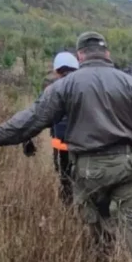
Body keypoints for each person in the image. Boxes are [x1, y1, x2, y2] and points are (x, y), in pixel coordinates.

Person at [0, 32, 132, 262]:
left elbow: (33, 118)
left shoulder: (65, 85)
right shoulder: (131, 83)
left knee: (96, 222)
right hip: (126, 165)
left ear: (80, 55)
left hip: (87, 169)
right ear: (107, 54)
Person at [22, 51, 80, 205]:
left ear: (56, 70)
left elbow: (36, 116)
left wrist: (26, 138)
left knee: (65, 180)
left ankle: (68, 213)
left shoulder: (52, 90)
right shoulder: (85, 87)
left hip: (61, 147)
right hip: (85, 146)